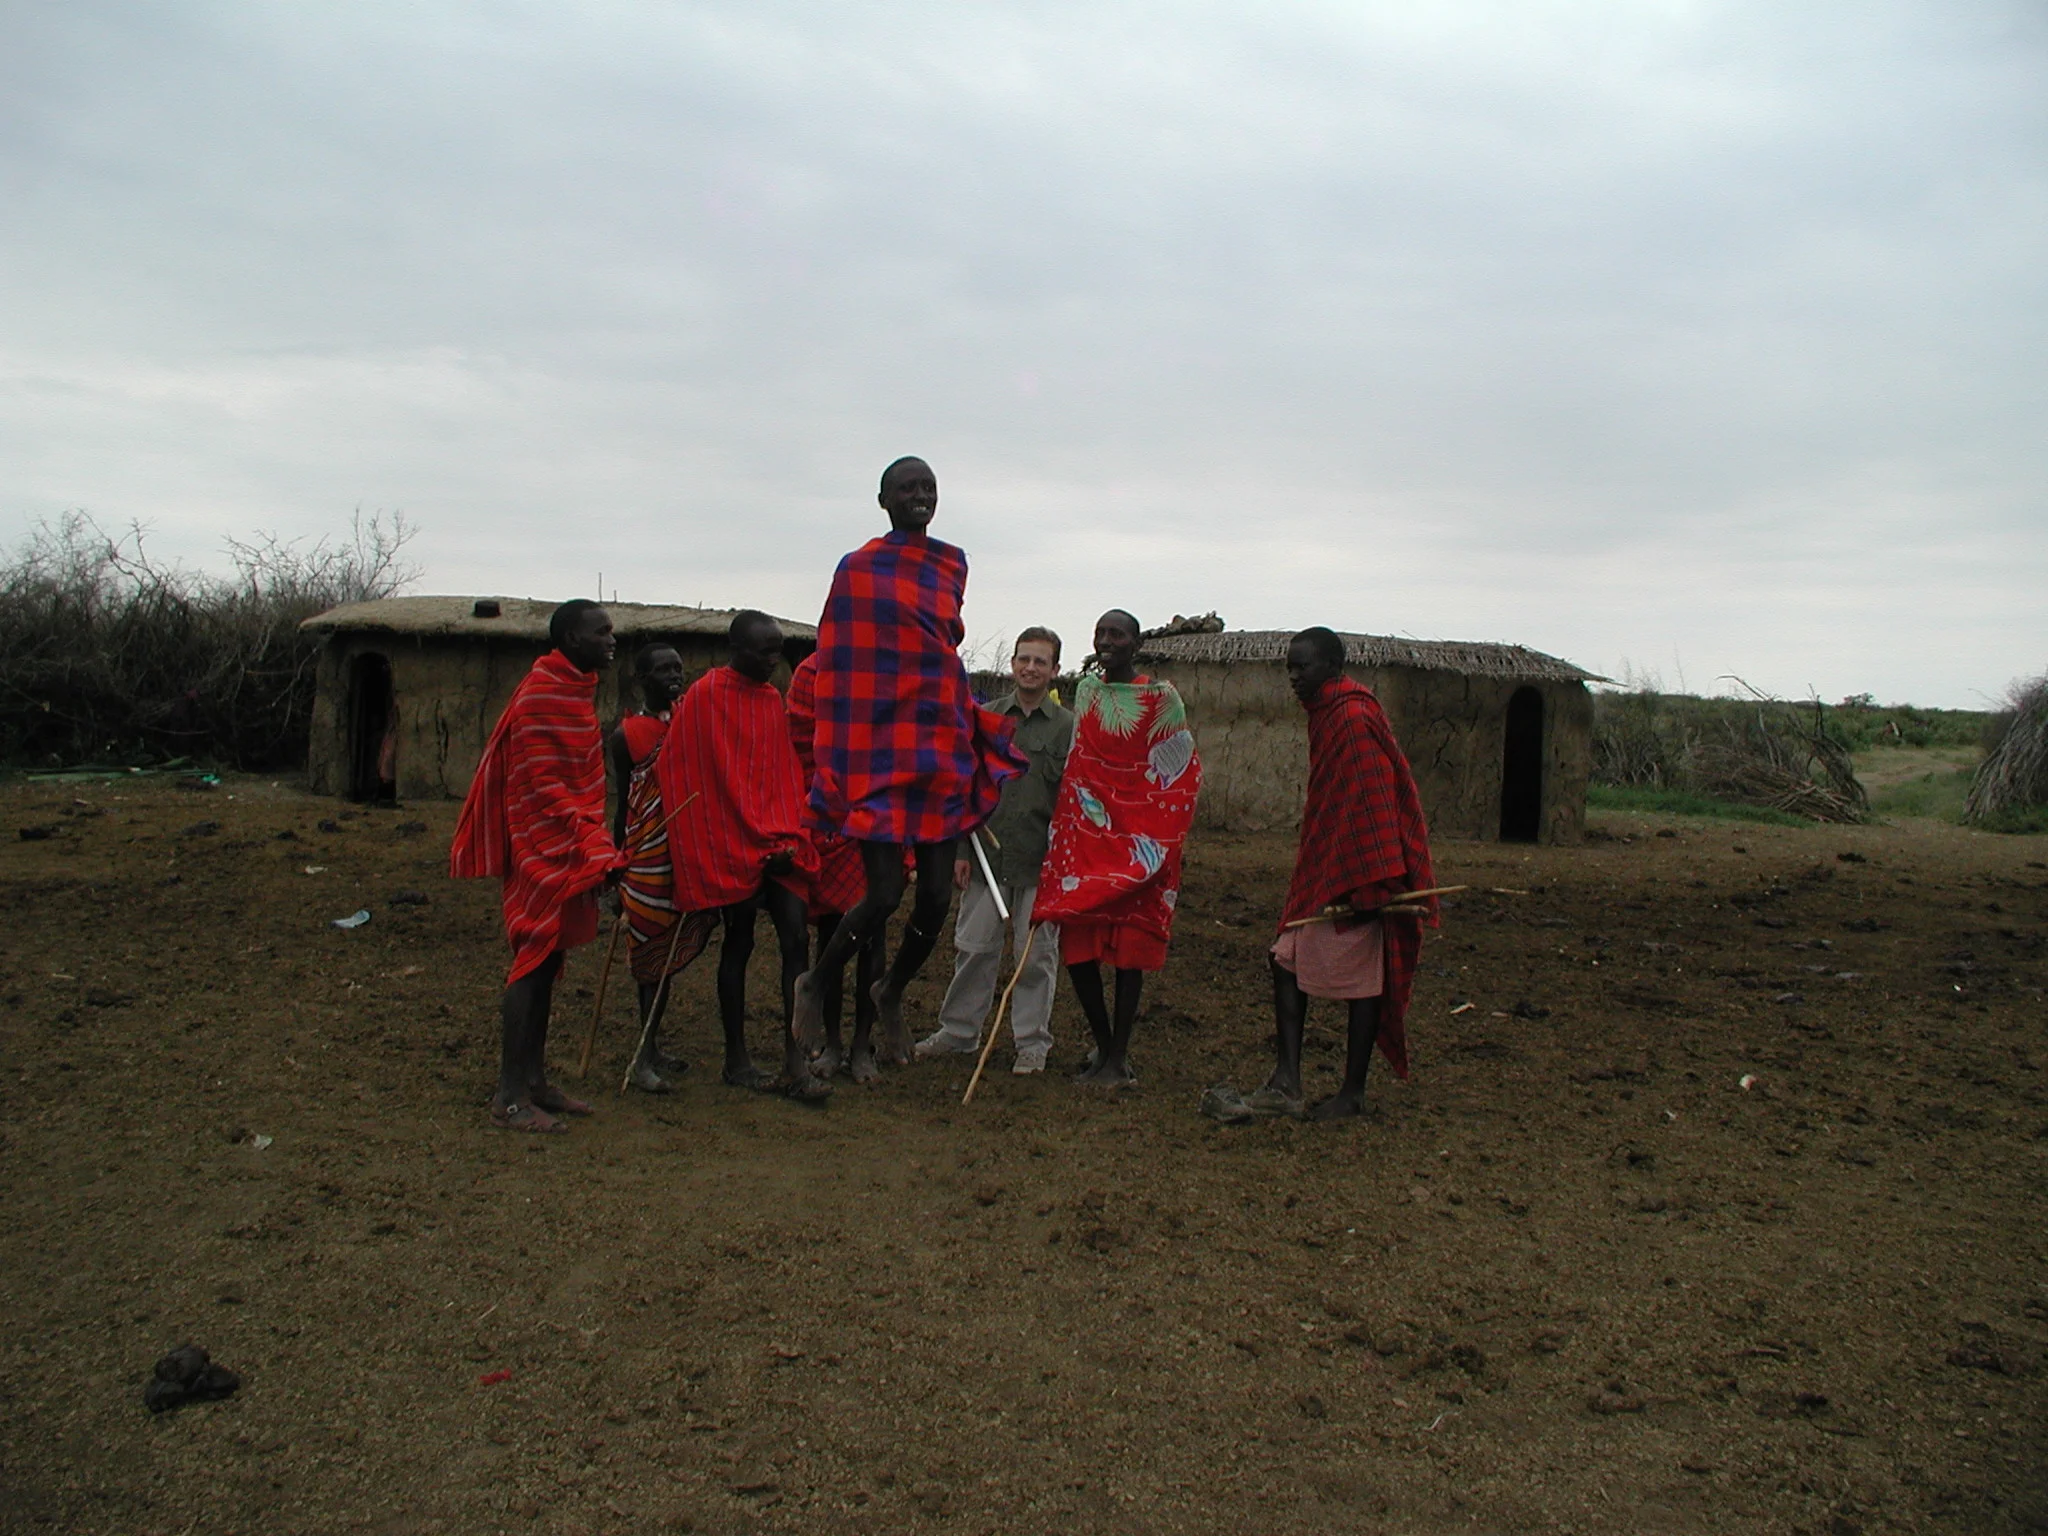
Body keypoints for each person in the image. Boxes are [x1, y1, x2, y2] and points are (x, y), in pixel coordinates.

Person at [790, 457, 1026, 1080]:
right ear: (882, 499)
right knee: (885, 893)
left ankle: (890, 989)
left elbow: (940, 642)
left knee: (934, 898)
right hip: (879, 747)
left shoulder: (952, 562)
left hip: (939, 737)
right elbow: (843, 657)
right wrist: (839, 753)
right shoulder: (858, 568)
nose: (920, 496)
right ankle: (815, 982)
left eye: (928, 488)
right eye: (907, 488)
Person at [450, 599, 623, 1133]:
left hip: (570, 840)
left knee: (547, 963)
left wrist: (592, 841)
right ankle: (508, 1095)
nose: (611, 639)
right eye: (601, 632)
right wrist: (591, 844)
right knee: (530, 961)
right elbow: (543, 785)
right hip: (539, 844)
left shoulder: (574, 691)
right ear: (571, 640)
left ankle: (534, 1081)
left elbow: (581, 778)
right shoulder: (541, 695)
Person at [1257, 626, 1437, 1120]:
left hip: (1362, 872)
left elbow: (1374, 802)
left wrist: (1372, 881)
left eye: (1303, 667)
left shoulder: (1352, 717)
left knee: (1362, 979)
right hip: (1332, 862)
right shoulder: (1330, 712)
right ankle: (1288, 1078)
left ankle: (1351, 1092)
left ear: (1333, 667)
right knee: (1286, 958)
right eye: (1289, 667)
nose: (1294, 677)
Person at [658, 611, 824, 1098]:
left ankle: (797, 1064)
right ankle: (737, 1059)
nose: (774, 660)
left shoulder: (772, 699)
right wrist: (736, 839)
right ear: (736, 649)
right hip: (730, 843)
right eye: (765, 651)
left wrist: (787, 839)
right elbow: (687, 775)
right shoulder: (705, 697)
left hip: (778, 839)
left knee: (797, 940)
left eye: (778, 651)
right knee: (740, 941)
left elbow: (780, 777)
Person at [1032, 610, 1201, 1087]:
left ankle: (1119, 1055)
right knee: (1079, 946)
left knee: (1129, 950)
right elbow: (1081, 760)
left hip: (1142, 841)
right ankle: (1104, 1046)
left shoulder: (1161, 698)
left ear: (1136, 643)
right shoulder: (1086, 691)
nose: (1107, 642)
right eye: (1101, 633)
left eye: (1117, 635)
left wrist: (1156, 838)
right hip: (1088, 836)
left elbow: (1177, 764)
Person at [914, 626, 1074, 1074]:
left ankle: (1032, 1043)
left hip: (1039, 862)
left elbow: (1074, 798)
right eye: (1024, 658)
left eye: (1041, 661)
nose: (1030, 667)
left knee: (1035, 957)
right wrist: (962, 850)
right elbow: (964, 787)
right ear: (1012, 664)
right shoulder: (985, 718)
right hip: (986, 858)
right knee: (973, 948)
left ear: (1055, 670)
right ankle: (960, 1032)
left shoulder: (1068, 728)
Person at [606, 644, 715, 1094]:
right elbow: (623, 804)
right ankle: (642, 1056)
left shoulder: (691, 724)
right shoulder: (626, 735)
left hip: (684, 852)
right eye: (664, 670)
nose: (675, 676)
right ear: (642, 679)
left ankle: (652, 1048)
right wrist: (614, 865)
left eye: (679, 668)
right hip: (646, 858)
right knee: (649, 956)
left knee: (666, 957)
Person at [784, 650, 891, 1081]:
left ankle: (863, 1044)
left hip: (879, 809)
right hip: (829, 813)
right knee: (834, 931)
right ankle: (831, 1042)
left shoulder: (885, 666)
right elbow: (800, 745)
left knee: (874, 937)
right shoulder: (811, 672)